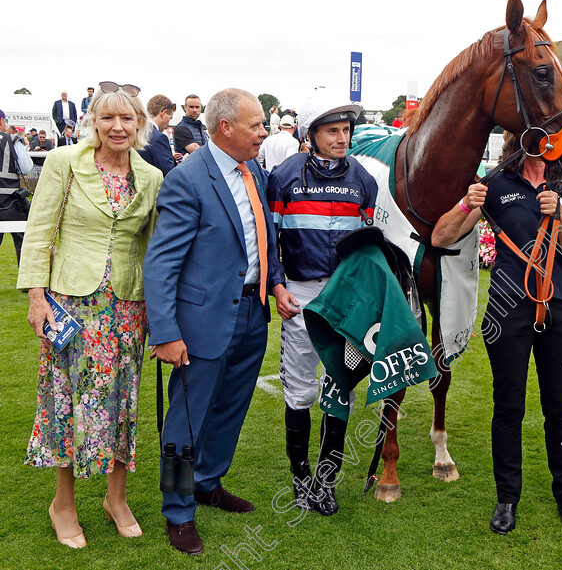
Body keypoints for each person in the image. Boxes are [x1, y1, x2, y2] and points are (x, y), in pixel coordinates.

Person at [16, 83, 163, 548]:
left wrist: (159, 315)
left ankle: (116, 499)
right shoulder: (64, 162)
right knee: (67, 401)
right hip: (71, 305)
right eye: (108, 119)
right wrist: (37, 297)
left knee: (122, 402)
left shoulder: (152, 175)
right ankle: (64, 503)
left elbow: (153, 250)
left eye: (127, 119)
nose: (117, 127)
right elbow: (40, 230)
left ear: (140, 124)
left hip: (127, 307)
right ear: (93, 122)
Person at [143, 88, 283, 555]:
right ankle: (178, 510)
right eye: (257, 124)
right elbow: (161, 264)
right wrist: (165, 332)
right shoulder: (187, 179)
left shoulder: (254, 171)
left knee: (229, 412)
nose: (265, 131)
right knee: (185, 421)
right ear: (227, 128)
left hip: (252, 313)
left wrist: (276, 282)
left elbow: (264, 232)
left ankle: (206, 482)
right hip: (200, 323)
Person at [431, 132, 562, 537]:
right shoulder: (495, 184)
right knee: (508, 407)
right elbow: (441, 236)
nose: (540, 144)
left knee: (560, 408)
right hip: (507, 309)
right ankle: (507, 498)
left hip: (560, 305)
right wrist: (468, 202)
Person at [267, 95, 377, 518]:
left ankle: (325, 481)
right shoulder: (284, 176)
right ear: (310, 135)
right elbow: (269, 241)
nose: (341, 138)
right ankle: (300, 477)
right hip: (300, 292)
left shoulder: (364, 179)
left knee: (340, 389)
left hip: (344, 299)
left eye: (346, 130)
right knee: (299, 388)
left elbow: (368, 246)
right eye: (332, 131)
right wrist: (277, 286)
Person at [0, 108, 34, 264]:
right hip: (10, 202)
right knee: (23, 240)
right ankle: (27, 283)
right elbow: (26, 168)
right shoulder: (11, 139)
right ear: (2, 122)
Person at [138, 94, 177, 176]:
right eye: (170, 118)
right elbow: (168, 172)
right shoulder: (159, 137)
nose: (168, 124)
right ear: (163, 113)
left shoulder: (139, 132)